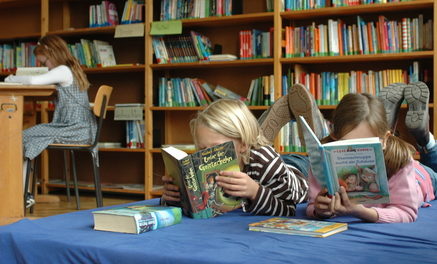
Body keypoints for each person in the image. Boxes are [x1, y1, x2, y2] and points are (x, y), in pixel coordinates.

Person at [307, 83, 437, 223]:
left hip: (421, 178)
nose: (356, 152)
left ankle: (426, 140)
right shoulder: (322, 159)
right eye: (348, 143)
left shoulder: (403, 162)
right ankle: (390, 120)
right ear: (335, 137)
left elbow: (407, 213)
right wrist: (320, 211)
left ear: (385, 139)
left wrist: (361, 212)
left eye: (367, 143)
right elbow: (312, 206)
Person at [161, 99, 309, 216]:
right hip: (255, 160)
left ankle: (321, 142)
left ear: (243, 145)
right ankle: (257, 130)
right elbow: (198, 205)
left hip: (298, 172)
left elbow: (289, 209)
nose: (207, 156)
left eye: (215, 148)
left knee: (302, 164)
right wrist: (174, 198)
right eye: (202, 149)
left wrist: (254, 192)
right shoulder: (201, 166)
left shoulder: (264, 161)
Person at [5, 35, 96, 208]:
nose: (44, 66)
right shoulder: (71, 68)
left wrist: (11, 79)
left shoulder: (63, 70)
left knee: (21, 137)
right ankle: (24, 192)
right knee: (25, 136)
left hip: (73, 128)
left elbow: (33, 81)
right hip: (78, 127)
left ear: (51, 54)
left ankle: (23, 193)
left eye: (44, 62)